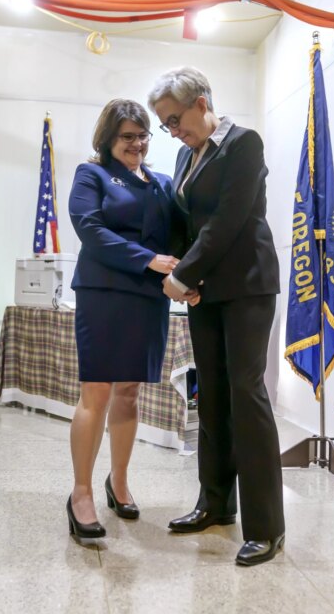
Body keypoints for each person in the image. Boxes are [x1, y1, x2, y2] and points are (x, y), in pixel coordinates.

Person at [147, 66, 285, 566]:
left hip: (247, 286)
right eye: (166, 125)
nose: (173, 131)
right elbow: (189, 222)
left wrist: (181, 276)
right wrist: (183, 274)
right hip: (205, 291)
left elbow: (228, 220)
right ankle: (215, 503)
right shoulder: (187, 154)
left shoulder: (243, 143)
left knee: (246, 395)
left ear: (203, 101)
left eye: (176, 119)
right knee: (211, 395)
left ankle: (267, 527)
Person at [66, 99, 178, 538]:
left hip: (149, 298)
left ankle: (119, 481)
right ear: (109, 139)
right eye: (127, 136)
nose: (137, 143)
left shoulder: (163, 182)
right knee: (96, 391)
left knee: (129, 393)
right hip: (104, 293)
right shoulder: (90, 174)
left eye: (143, 134)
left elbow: (180, 236)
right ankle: (80, 493)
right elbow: (90, 229)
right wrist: (148, 259)